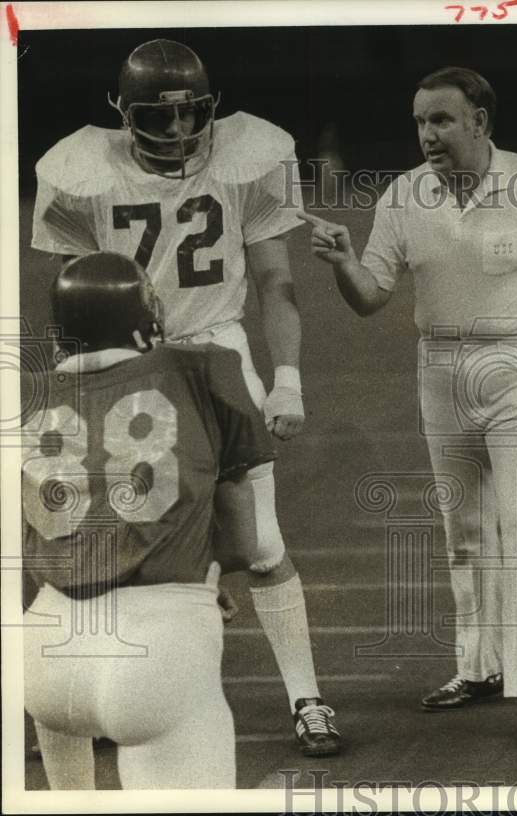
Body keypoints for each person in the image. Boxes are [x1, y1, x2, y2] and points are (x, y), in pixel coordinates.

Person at [29, 39, 340, 756]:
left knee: (260, 543)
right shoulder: (80, 172)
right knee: (106, 538)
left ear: (211, 107)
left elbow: (276, 283)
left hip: (215, 353)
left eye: (189, 116)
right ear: (121, 112)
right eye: (157, 119)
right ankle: (96, 693)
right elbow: (72, 301)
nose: (176, 133)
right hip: (120, 364)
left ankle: (308, 699)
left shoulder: (249, 156)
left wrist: (286, 376)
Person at [300, 66, 517, 749]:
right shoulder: (403, 196)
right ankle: (478, 666)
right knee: (463, 525)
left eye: (440, 119)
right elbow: (372, 294)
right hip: (439, 366)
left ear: (479, 122)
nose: (427, 133)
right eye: (419, 121)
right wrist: (346, 261)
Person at [21, 252, 270, 788]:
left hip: (43, 647)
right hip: (158, 642)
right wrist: (204, 577)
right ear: (141, 315)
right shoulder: (204, 367)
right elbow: (245, 543)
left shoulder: (26, 396)